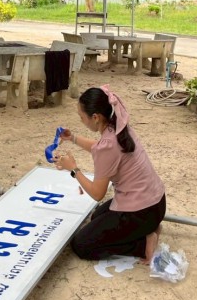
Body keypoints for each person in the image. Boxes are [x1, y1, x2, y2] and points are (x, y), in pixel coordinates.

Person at [54, 85, 166, 261]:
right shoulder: (119, 126)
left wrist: (74, 169)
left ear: (95, 117)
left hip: (142, 213)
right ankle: (147, 229)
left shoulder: (107, 146)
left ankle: (143, 244)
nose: (81, 121)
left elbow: (97, 194)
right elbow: (100, 148)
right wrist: (73, 138)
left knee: (81, 245)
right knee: (97, 216)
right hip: (156, 203)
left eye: (82, 117)